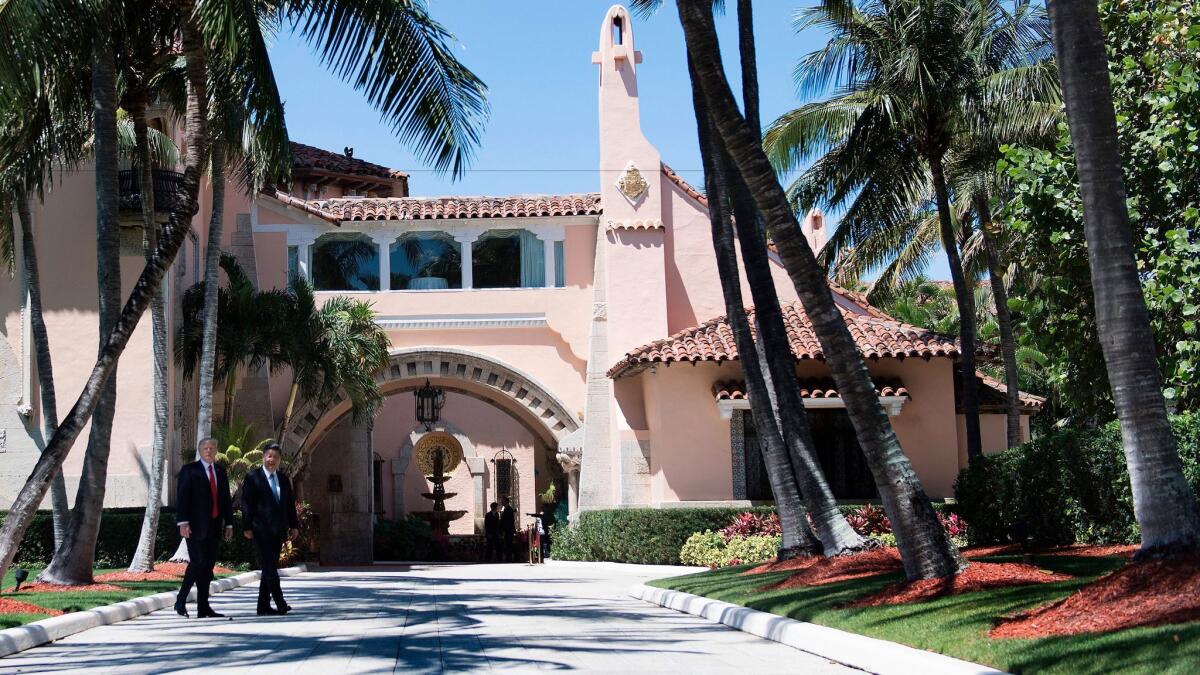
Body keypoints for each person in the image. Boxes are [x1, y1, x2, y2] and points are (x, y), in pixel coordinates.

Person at [175, 437, 234, 618]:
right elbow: (182, 497)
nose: (208, 451)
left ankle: (203, 607)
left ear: (216, 451)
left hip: (215, 526)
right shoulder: (189, 470)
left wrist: (229, 523)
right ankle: (180, 599)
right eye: (205, 448)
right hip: (194, 527)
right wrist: (182, 522)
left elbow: (225, 501)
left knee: (207, 567)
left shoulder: (220, 471)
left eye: (211, 448)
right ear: (200, 451)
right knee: (198, 562)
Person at [241, 442, 299, 616]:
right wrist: (247, 526)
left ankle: (263, 606)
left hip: (278, 530)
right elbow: (246, 504)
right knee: (269, 567)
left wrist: (294, 525)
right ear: (263, 457)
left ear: (279, 460)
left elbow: (289, 504)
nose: (271, 460)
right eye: (269, 456)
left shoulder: (283, 478)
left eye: (275, 457)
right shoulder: (252, 477)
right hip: (260, 529)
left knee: (269, 566)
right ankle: (280, 602)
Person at [499, 496, 516, 562]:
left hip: (508, 530)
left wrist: (502, 529)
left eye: (503, 501)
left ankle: (509, 558)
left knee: (509, 544)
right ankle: (508, 557)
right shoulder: (506, 509)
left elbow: (508, 521)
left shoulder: (509, 509)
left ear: (506, 501)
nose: (501, 502)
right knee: (507, 544)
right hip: (507, 530)